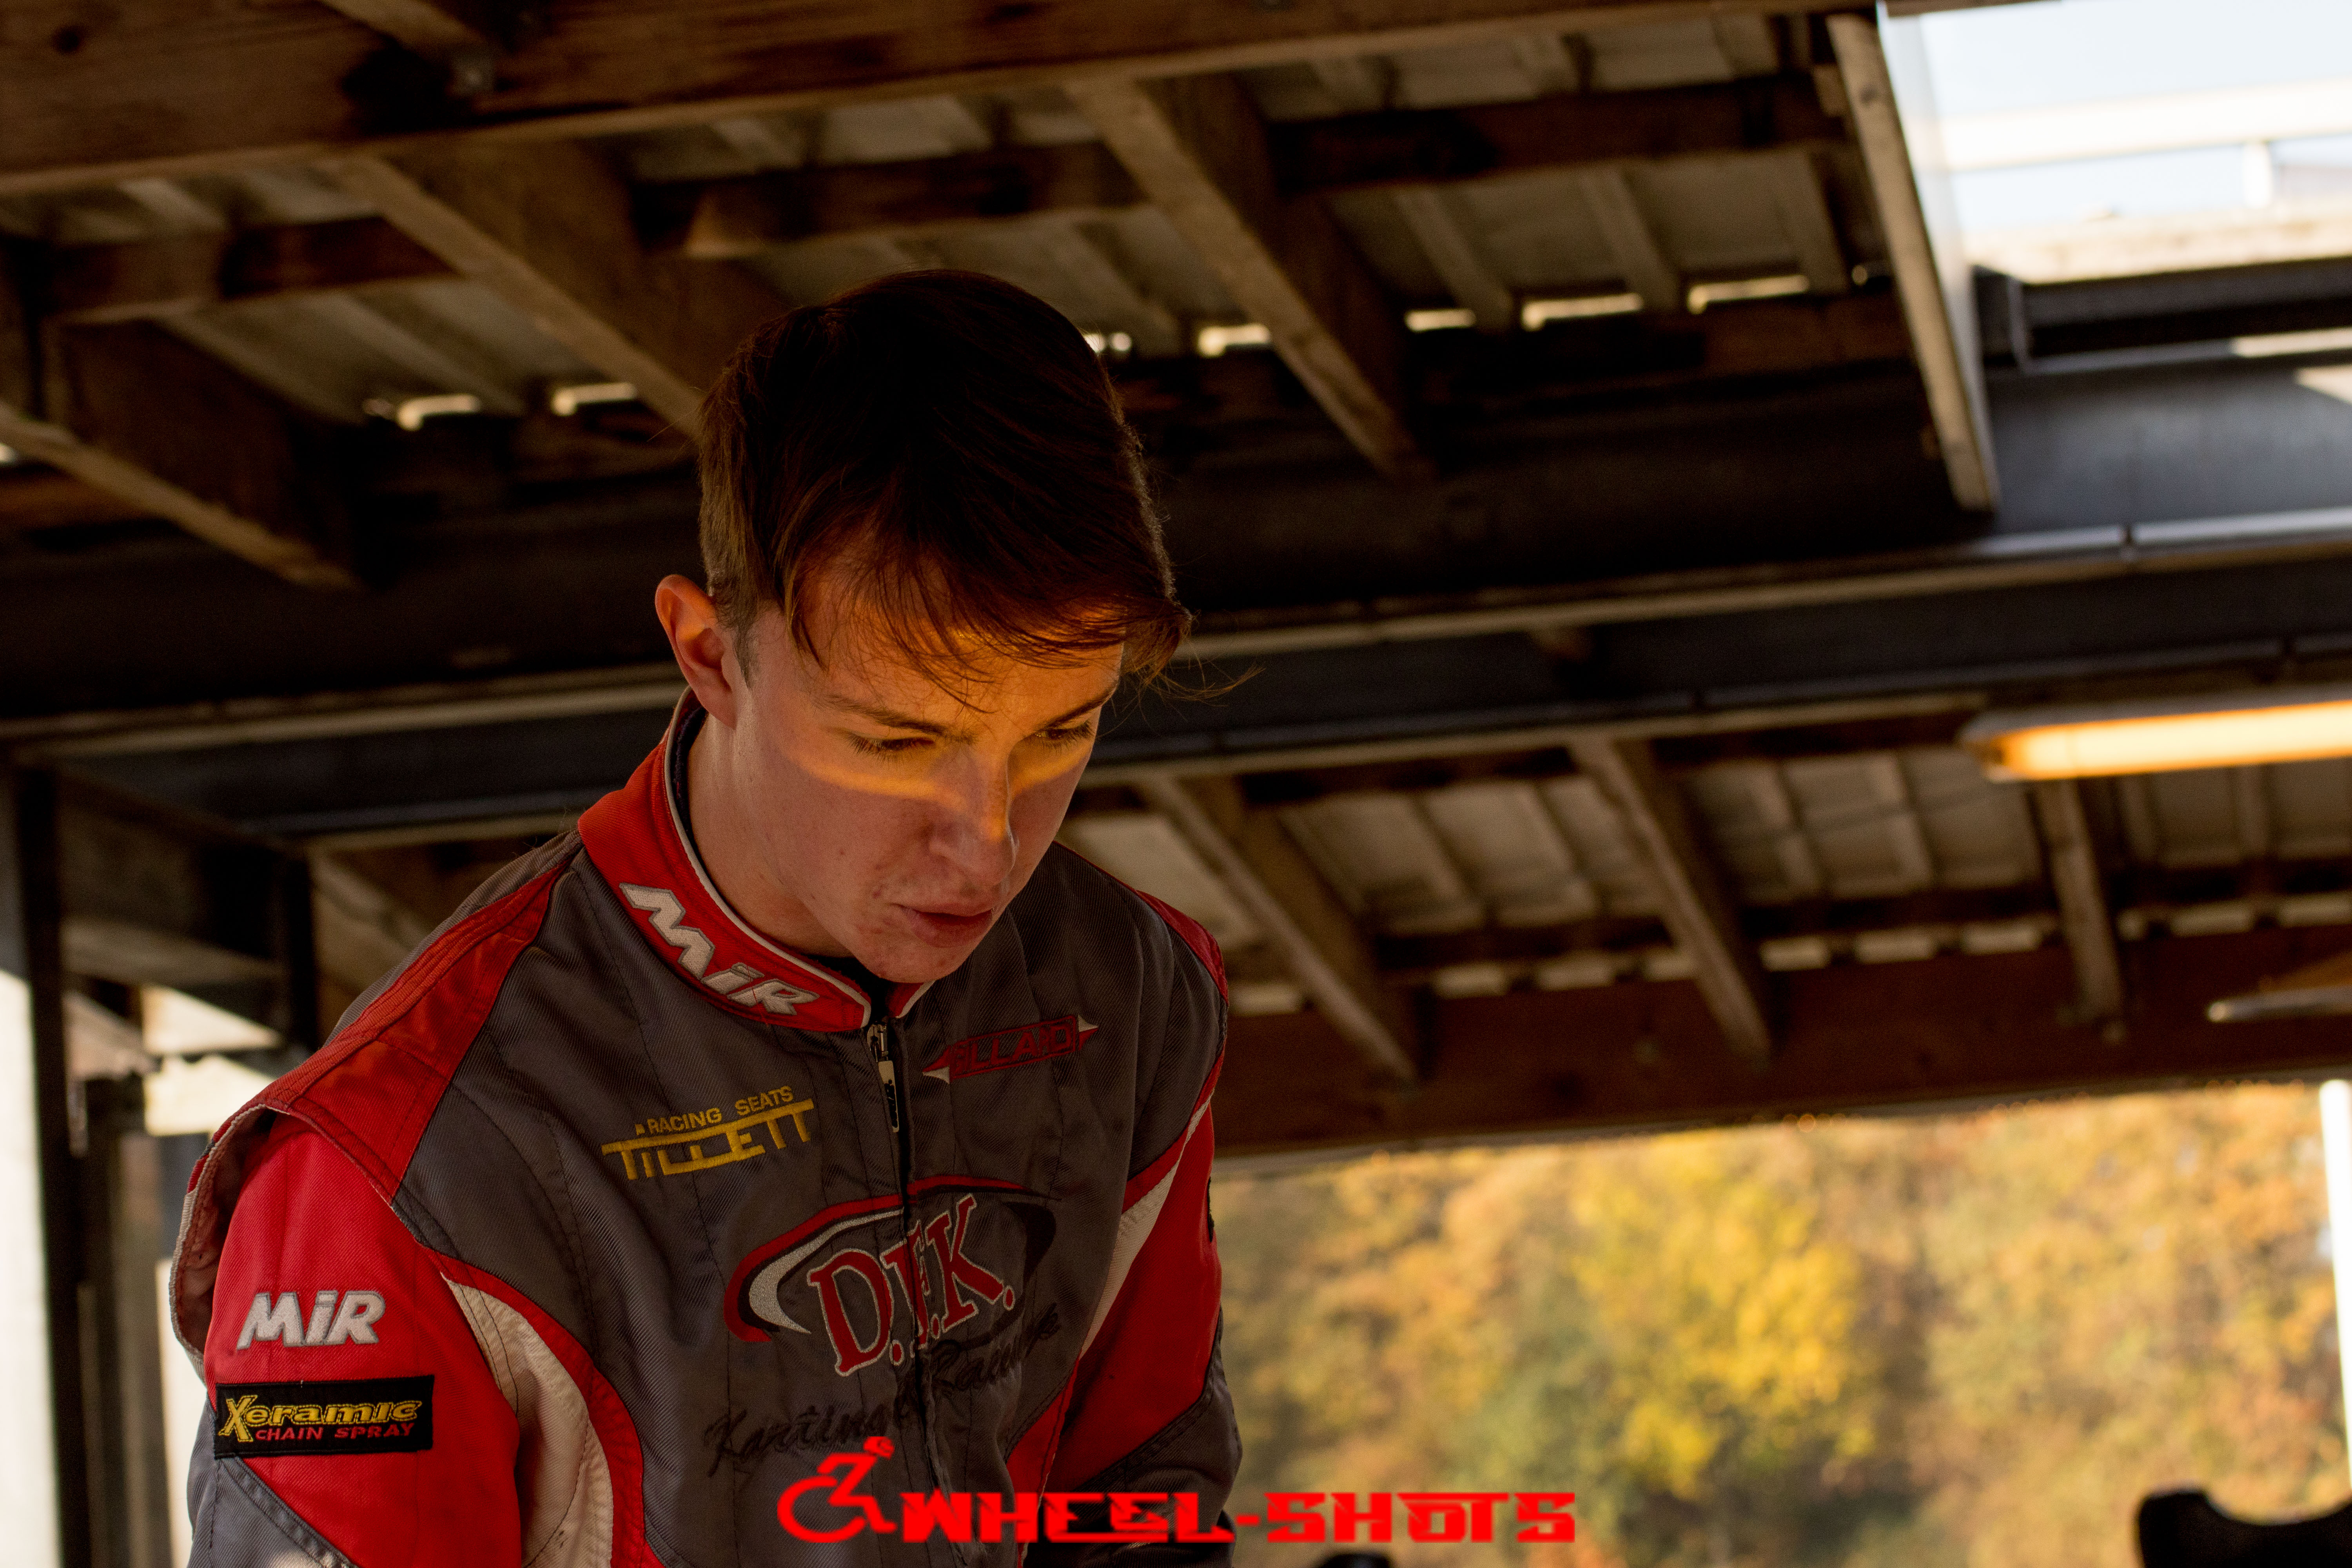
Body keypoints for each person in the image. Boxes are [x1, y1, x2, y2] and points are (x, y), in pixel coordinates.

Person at [167, 271, 1240, 1566]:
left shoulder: (1127, 989)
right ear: (711, 653)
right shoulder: (399, 1156)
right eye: (896, 741)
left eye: (1061, 730)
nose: (989, 842)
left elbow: (1141, 1499)